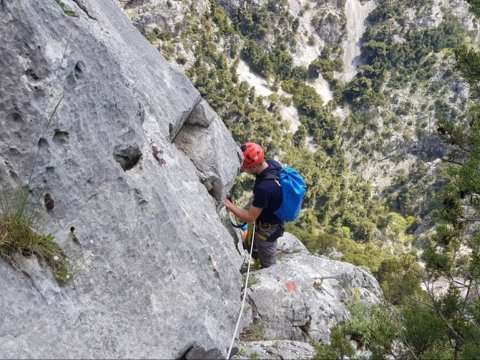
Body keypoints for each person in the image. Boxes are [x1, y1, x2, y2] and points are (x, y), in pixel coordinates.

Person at [224, 142, 285, 268]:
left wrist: (228, 204)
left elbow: (250, 218)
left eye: (245, 167)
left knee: (269, 265)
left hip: (268, 230)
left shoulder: (265, 188)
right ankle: (254, 254)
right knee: (253, 244)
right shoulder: (272, 164)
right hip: (266, 216)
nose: (243, 169)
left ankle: (268, 275)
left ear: (254, 166)